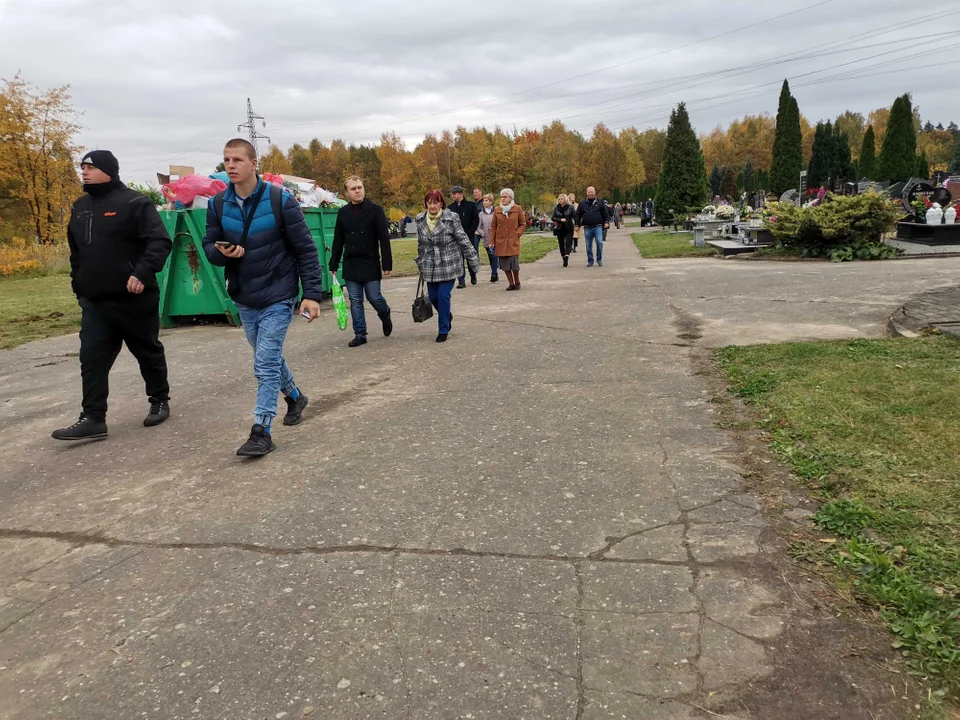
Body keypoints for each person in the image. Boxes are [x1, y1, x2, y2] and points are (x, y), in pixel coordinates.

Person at [201, 138, 322, 457]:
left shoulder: (281, 200)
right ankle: (295, 397)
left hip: (278, 293)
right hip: (244, 295)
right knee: (267, 358)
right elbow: (209, 247)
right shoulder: (217, 204)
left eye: (237, 159)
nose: (230, 165)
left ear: (254, 164)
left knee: (265, 362)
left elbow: (306, 250)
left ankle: (261, 430)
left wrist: (310, 294)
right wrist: (222, 253)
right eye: (226, 160)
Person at [53, 150, 173, 441]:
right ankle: (93, 418)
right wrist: (78, 285)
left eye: (90, 167)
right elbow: (76, 253)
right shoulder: (79, 207)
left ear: (108, 170)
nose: (84, 171)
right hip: (95, 300)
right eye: (82, 167)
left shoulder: (135, 203)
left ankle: (159, 400)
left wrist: (142, 273)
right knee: (91, 358)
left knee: (147, 351)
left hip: (134, 297)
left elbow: (159, 242)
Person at [329, 176, 393, 348]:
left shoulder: (375, 210)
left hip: (370, 260)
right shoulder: (343, 213)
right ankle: (360, 334)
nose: (357, 191)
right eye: (353, 189)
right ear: (347, 193)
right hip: (351, 262)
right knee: (355, 300)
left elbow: (384, 238)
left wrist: (387, 263)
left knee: (374, 297)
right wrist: (333, 263)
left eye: (360, 187)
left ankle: (385, 313)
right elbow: (338, 240)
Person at [415, 190, 480, 342]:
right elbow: (420, 244)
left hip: (448, 262)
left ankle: (443, 328)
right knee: (432, 297)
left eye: (436, 202)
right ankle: (447, 314)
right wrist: (420, 261)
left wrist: (473, 260)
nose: (432, 206)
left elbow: (463, 240)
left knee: (443, 295)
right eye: (429, 202)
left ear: (441, 203)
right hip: (430, 264)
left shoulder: (451, 218)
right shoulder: (420, 219)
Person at [490, 188, 526, 290]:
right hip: (500, 241)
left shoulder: (517, 208)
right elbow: (493, 226)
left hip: (512, 240)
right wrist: (492, 241)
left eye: (505, 197)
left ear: (511, 198)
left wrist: (517, 233)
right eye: (501, 197)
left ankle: (517, 281)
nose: (502, 199)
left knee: (514, 263)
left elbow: (523, 224)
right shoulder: (497, 210)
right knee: (505, 264)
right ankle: (511, 283)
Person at [449, 185, 480, 288]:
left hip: (468, 235)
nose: (453, 195)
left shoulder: (471, 205)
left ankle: (473, 275)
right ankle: (461, 280)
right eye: (452, 194)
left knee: (470, 256)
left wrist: (471, 232)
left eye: (455, 193)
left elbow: (476, 219)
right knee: (458, 259)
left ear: (461, 194)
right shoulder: (450, 208)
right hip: (455, 238)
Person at [575, 186, 610, 267]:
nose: (590, 193)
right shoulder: (582, 203)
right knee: (588, 245)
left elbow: (605, 213)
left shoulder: (600, 202)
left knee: (599, 242)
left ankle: (599, 259)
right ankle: (590, 260)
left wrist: (606, 222)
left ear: (595, 192)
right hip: (587, 227)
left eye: (592, 192)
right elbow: (577, 215)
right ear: (586, 193)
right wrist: (577, 225)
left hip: (598, 226)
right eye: (589, 192)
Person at [472, 186, 498, 281]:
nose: (484, 202)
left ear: (491, 202)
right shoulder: (481, 214)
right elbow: (478, 226)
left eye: (486, 200)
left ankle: (494, 274)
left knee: (494, 255)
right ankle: (494, 271)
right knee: (490, 256)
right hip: (486, 238)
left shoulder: (496, 211)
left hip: (495, 238)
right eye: (484, 201)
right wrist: (483, 233)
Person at [551, 193, 575, 267]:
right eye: (559, 199)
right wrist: (560, 220)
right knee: (561, 245)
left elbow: (575, 216)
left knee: (568, 243)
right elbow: (553, 218)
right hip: (560, 228)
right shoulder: (556, 208)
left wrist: (577, 224)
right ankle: (563, 257)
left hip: (569, 228)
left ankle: (567, 256)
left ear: (565, 199)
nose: (560, 200)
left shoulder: (570, 207)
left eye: (562, 199)